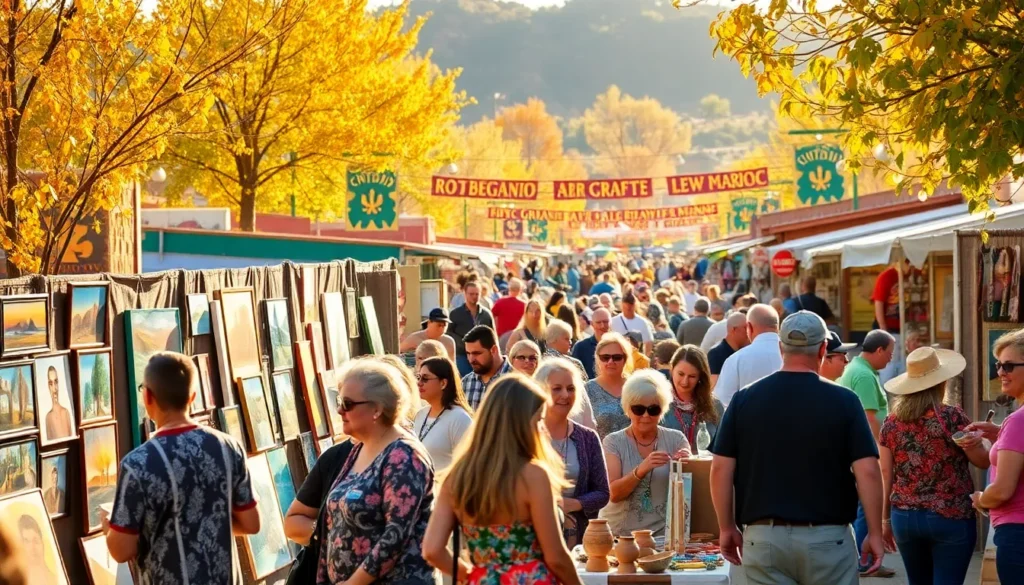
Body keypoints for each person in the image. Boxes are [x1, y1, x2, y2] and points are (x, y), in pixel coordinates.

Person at [710, 311, 885, 584]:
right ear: (823, 349)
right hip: (828, 539)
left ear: (781, 348)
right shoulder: (845, 401)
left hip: (764, 537)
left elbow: (721, 468)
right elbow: (869, 472)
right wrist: (875, 531)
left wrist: (726, 527)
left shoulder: (744, 400)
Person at [104, 352, 260, 583]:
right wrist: (205, 523)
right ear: (193, 397)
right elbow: (252, 523)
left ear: (147, 397)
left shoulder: (137, 464)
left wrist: (108, 527)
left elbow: (121, 550)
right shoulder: (229, 447)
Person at [422, 375, 583, 585]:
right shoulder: (533, 475)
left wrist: (473, 576)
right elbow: (556, 557)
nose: (542, 429)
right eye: (539, 420)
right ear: (522, 424)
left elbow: (432, 550)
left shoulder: (456, 477)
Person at [318, 361, 435, 585]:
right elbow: (332, 527)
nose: (340, 410)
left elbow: (395, 535)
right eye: (339, 401)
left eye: (348, 403)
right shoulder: (360, 448)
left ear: (377, 409)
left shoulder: (405, 455)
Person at [880, 347, 988, 585]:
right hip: (950, 515)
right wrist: (978, 443)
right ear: (941, 382)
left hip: (904, 517)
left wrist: (884, 520)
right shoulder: (952, 417)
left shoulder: (891, 422)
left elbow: (886, 474)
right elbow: (982, 462)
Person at [602, 370, 691, 537]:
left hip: (663, 536)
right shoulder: (613, 442)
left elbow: (688, 494)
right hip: (621, 536)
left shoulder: (676, 439)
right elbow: (613, 494)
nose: (645, 415)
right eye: (638, 409)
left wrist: (688, 466)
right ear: (627, 409)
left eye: (653, 409)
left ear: (662, 410)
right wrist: (642, 468)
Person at [837, 329, 896, 577]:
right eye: (890, 354)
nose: (891, 359)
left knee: (863, 505)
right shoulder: (862, 374)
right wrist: (881, 451)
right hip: (867, 450)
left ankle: (864, 559)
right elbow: (870, 418)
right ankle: (864, 561)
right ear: (879, 350)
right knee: (866, 505)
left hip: (862, 448)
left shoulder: (862, 371)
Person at [535, 359, 609, 545]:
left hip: (579, 540)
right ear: (540, 391)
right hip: (533, 538)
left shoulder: (588, 437)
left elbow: (602, 492)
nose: (565, 395)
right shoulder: (525, 436)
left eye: (571, 388)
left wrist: (574, 504)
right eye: (557, 388)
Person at [970, 328, 1024, 582]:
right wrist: (1000, 434)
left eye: (1009, 366)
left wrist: (982, 499)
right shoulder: (1013, 424)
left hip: (1018, 534)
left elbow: (1002, 490)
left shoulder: (1018, 421)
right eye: (998, 365)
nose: (1001, 372)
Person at [713, 304, 782, 408]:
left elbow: (722, 403)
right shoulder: (796, 356)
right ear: (778, 327)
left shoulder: (736, 360)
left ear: (749, 327)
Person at [413, 357, 474, 475]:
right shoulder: (421, 414)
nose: (419, 383)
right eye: (418, 377)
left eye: (425, 378)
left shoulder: (460, 418)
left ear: (443, 383)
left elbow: (468, 465)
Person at [663, 345, 724, 448]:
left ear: (700, 377)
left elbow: (723, 445)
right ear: (672, 370)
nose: (685, 382)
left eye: (692, 376)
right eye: (681, 374)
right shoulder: (658, 402)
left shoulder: (715, 406)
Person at [586, 333, 634, 438]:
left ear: (625, 359)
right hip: (601, 452)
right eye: (605, 357)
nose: (611, 361)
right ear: (598, 360)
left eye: (617, 357)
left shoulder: (635, 386)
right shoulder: (587, 390)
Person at [873, 261, 911, 384]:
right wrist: (883, 328)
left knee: (902, 364)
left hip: (902, 327)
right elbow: (879, 302)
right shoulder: (887, 276)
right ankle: (886, 394)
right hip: (889, 328)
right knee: (889, 364)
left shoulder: (908, 276)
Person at [448, 281, 495, 377]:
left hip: (482, 354)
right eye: (471, 294)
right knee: (466, 377)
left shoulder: (486, 314)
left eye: (477, 294)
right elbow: (448, 333)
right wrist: (462, 342)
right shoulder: (455, 314)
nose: (474, 296)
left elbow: (493, 334)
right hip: (462, 355)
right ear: (465, 294)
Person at [461, 326, 511, 410]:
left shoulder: (515, 382)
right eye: (468, 353)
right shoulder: (465, 383)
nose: (471, 359)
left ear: (494, 350)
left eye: (476, 353)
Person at [705, 312, 749, 386]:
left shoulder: (746, 351)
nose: (748, 332)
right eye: (745, 328)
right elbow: (714, 386)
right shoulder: (716, 354)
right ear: (734, 330)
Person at [572, 308, 611, 380]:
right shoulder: (581, 347)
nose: (602, 326)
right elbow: (575, 375)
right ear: (592, 324)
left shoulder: (618, 346)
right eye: (599, 322)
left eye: (605, 322)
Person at [17, 515, 55, 584]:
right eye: (27, 541)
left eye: (36, 541)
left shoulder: (54, 579)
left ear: (43, 544)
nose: (32, 548)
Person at [44, 366, 72, 440]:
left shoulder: (66, 413)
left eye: (56, 382)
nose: (54, 388)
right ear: (48, 386)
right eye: (51, 383)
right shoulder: (48, 418)